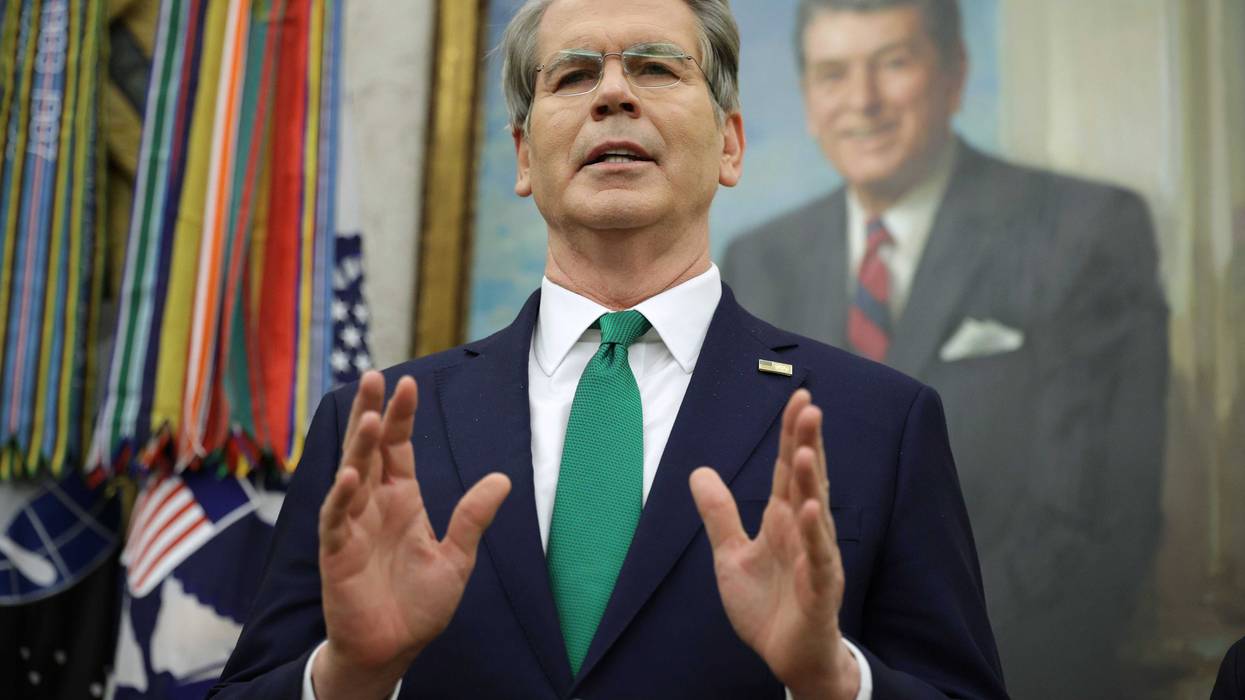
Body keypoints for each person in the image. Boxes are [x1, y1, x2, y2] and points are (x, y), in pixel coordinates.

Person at [211, 0, 1007, 697]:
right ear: (525, 157)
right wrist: (350, 678)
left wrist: (832, 679)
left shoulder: (877, 422)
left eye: (657, 68)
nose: (614, 93)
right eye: (572, 76)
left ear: (729, 145)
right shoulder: (376, 427)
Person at [722, 1, 1169, 697]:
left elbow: (1098, 525)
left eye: (893, 63)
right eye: (833, 74)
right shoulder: (758, 260)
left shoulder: (1084, 233)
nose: (861, 101)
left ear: (954, 75)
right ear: (809, 99)